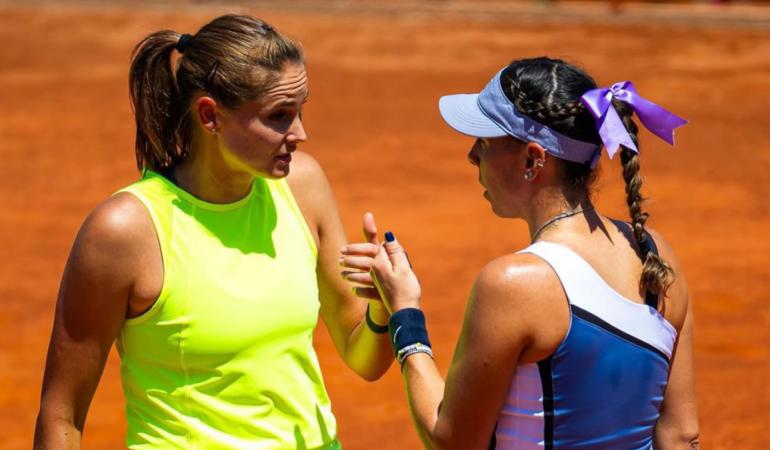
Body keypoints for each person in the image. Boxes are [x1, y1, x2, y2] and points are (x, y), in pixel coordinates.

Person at [34, 14, 395, 449]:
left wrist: (383, 307)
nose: (300, 133)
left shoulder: (303, 188)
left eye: (300, 110)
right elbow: (63, 414)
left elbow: (364, 357)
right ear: (210, 116)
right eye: (279, 116)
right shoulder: (126, 232)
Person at [340, 57, 700, 449]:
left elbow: (452, 441)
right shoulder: (656, 254)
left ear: (533, 159)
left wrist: (404, 314)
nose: (472, 157)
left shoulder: (515, 285)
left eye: (484, 141)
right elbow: (681, 436)